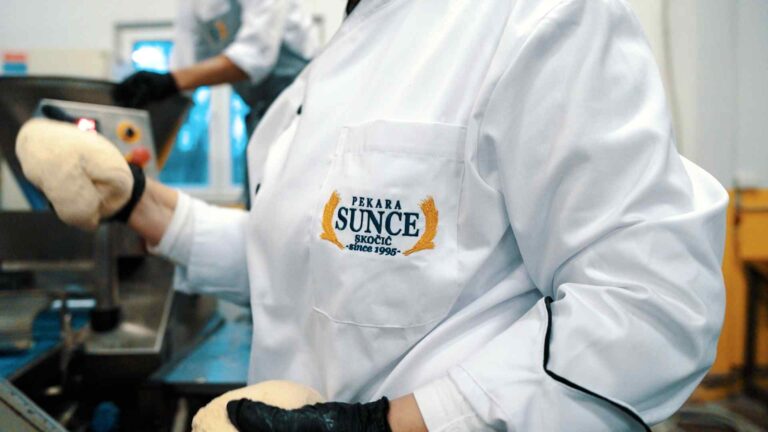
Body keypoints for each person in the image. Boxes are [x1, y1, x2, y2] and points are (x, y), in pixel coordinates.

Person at [18, 0, 729, 430]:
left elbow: (649, 305)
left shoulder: (537, 17)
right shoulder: (341, 52)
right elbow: (301, 258)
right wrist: (136, 201)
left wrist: (384, 426)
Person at [114, 0, 319, 134]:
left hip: (302, 110)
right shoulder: (192, 5)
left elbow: (256, 56)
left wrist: (171, 82)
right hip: (261, 117)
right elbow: (183, 72)